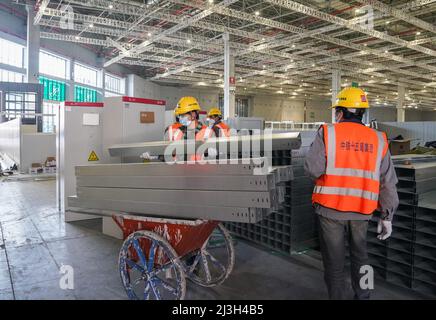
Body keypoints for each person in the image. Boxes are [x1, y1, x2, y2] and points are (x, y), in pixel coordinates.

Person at [304, 86, 399, 300]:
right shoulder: (379, 139)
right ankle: (364, 295)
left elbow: (312, 169)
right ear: (361, 112)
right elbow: (388, 181)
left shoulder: (327, 132)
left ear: (341, 111)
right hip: (362, 212)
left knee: (334, 263)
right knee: (362, 257)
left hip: (330, 210)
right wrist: (387, 216)